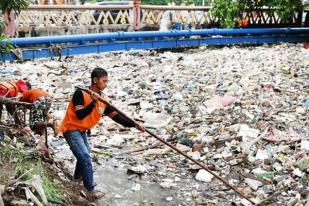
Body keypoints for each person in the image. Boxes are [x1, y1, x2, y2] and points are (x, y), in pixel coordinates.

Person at [59, 67, 145, 201]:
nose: (106, 84)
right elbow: (80, 115)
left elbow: (117, 117)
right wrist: (93, 102)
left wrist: (134, 124)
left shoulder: (103, 100)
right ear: (95, 80)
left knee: (84, 154)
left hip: (82, 131)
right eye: (104, 81)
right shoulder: (80, 93)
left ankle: (76, 180)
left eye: (107, 81)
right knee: (86, 157)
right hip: (71, 129)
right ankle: (90, 190)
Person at [20, 88, 58, 155]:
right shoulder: (32, 91)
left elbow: (24, 107)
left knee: (33, 124)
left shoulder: (23, 95)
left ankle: (51, 124)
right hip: (48, 99)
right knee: (41, 122)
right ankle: (44, 143)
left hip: (39, 100)